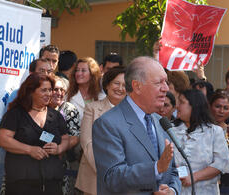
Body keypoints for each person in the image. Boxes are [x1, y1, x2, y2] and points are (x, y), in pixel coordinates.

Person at [92, 56, 181, 195]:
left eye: (166, 82)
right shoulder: (108, 124)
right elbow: (112, 177)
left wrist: (172, 191)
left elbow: (173, 171)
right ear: (137, 86)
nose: (166, 88)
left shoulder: (161, 122)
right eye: (159, 82)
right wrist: (155, 168)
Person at [0, 73, 69, 195]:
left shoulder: (56, 116)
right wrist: (29, 150)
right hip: (21, 183)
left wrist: (59, 148)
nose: (49, 94)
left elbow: (66, 138)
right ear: (31, 91)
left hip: (51, 183)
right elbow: (3, 139)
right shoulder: (16, 114)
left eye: (50, 90)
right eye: (43, 90)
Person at [75, 66, 126, 195]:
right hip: (95, 176)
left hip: (124, 178)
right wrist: (104, 170)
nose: (120, 88)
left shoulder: (132, 113)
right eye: (116, 83)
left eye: (125, 85)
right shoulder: (92, 108)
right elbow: (87, 142)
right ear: (107, 85)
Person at [171, 89, 229, 195]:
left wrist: (194, 177)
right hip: (177, 190)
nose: (177, 106)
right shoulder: (170, 130)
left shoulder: (214, 132)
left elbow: (221, 163)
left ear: (194, 106)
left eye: (181, 102)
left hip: (205, 191)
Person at [49, 76, 81, 195]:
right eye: (55, 89)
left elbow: (75, 137)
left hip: (62, 161)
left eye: (62, 90)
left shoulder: (68, 109)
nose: (59, 93)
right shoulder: (39, 107)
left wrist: (60, 148)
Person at [67, 57, 105, 121]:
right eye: (77, 70)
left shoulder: (102, 97)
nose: (79, 73)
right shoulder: (68, 95)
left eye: (83, 70)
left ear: (93, 73)